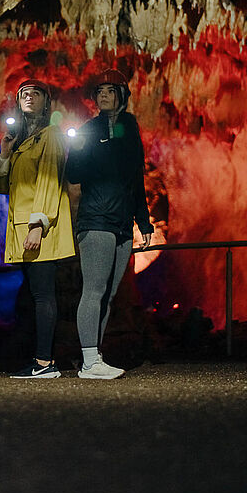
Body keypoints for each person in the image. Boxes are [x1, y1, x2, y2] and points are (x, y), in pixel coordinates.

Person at [66, 69, 153, 379]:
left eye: (109, 90)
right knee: (94, 290)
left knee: (109, 295)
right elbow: (75, 174)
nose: (103, 94)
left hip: (121, 223)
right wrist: (76, 149)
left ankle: (94, 356)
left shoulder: (128, 128)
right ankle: (90, 361)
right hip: (97, 219)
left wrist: (143, 221)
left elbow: (135, 178)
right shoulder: (90, 129)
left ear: (121, 95)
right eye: (99, 90)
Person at [0, 78, 75, 378]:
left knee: (42, 296)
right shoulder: (20, 142)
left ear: (45, 101)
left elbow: (49, 181)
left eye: (35, 93)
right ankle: (36, 359)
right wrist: (4, 155)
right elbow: (3, 186)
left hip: (39, 229)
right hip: (22, 231)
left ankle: (44, 363)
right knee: (32, 296)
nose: (29, 97)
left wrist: (38, 225)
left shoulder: (51, 135)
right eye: (24, 94)